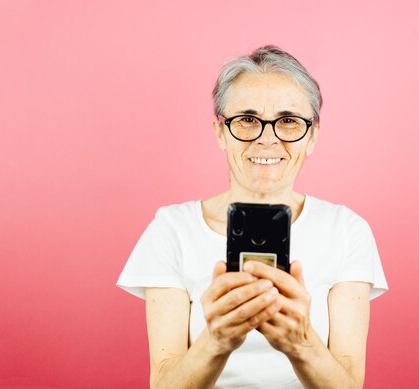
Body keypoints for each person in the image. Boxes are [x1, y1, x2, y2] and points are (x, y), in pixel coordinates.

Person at [116, 45, 389, 388]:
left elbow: (349, 385)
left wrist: (300, 343)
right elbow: (164, 383)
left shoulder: (347, 231)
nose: (267, 138)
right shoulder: (172, 230)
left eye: (288, 121)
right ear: (220, 131)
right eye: (247, 120)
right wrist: (216, 341)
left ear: (313, 136)